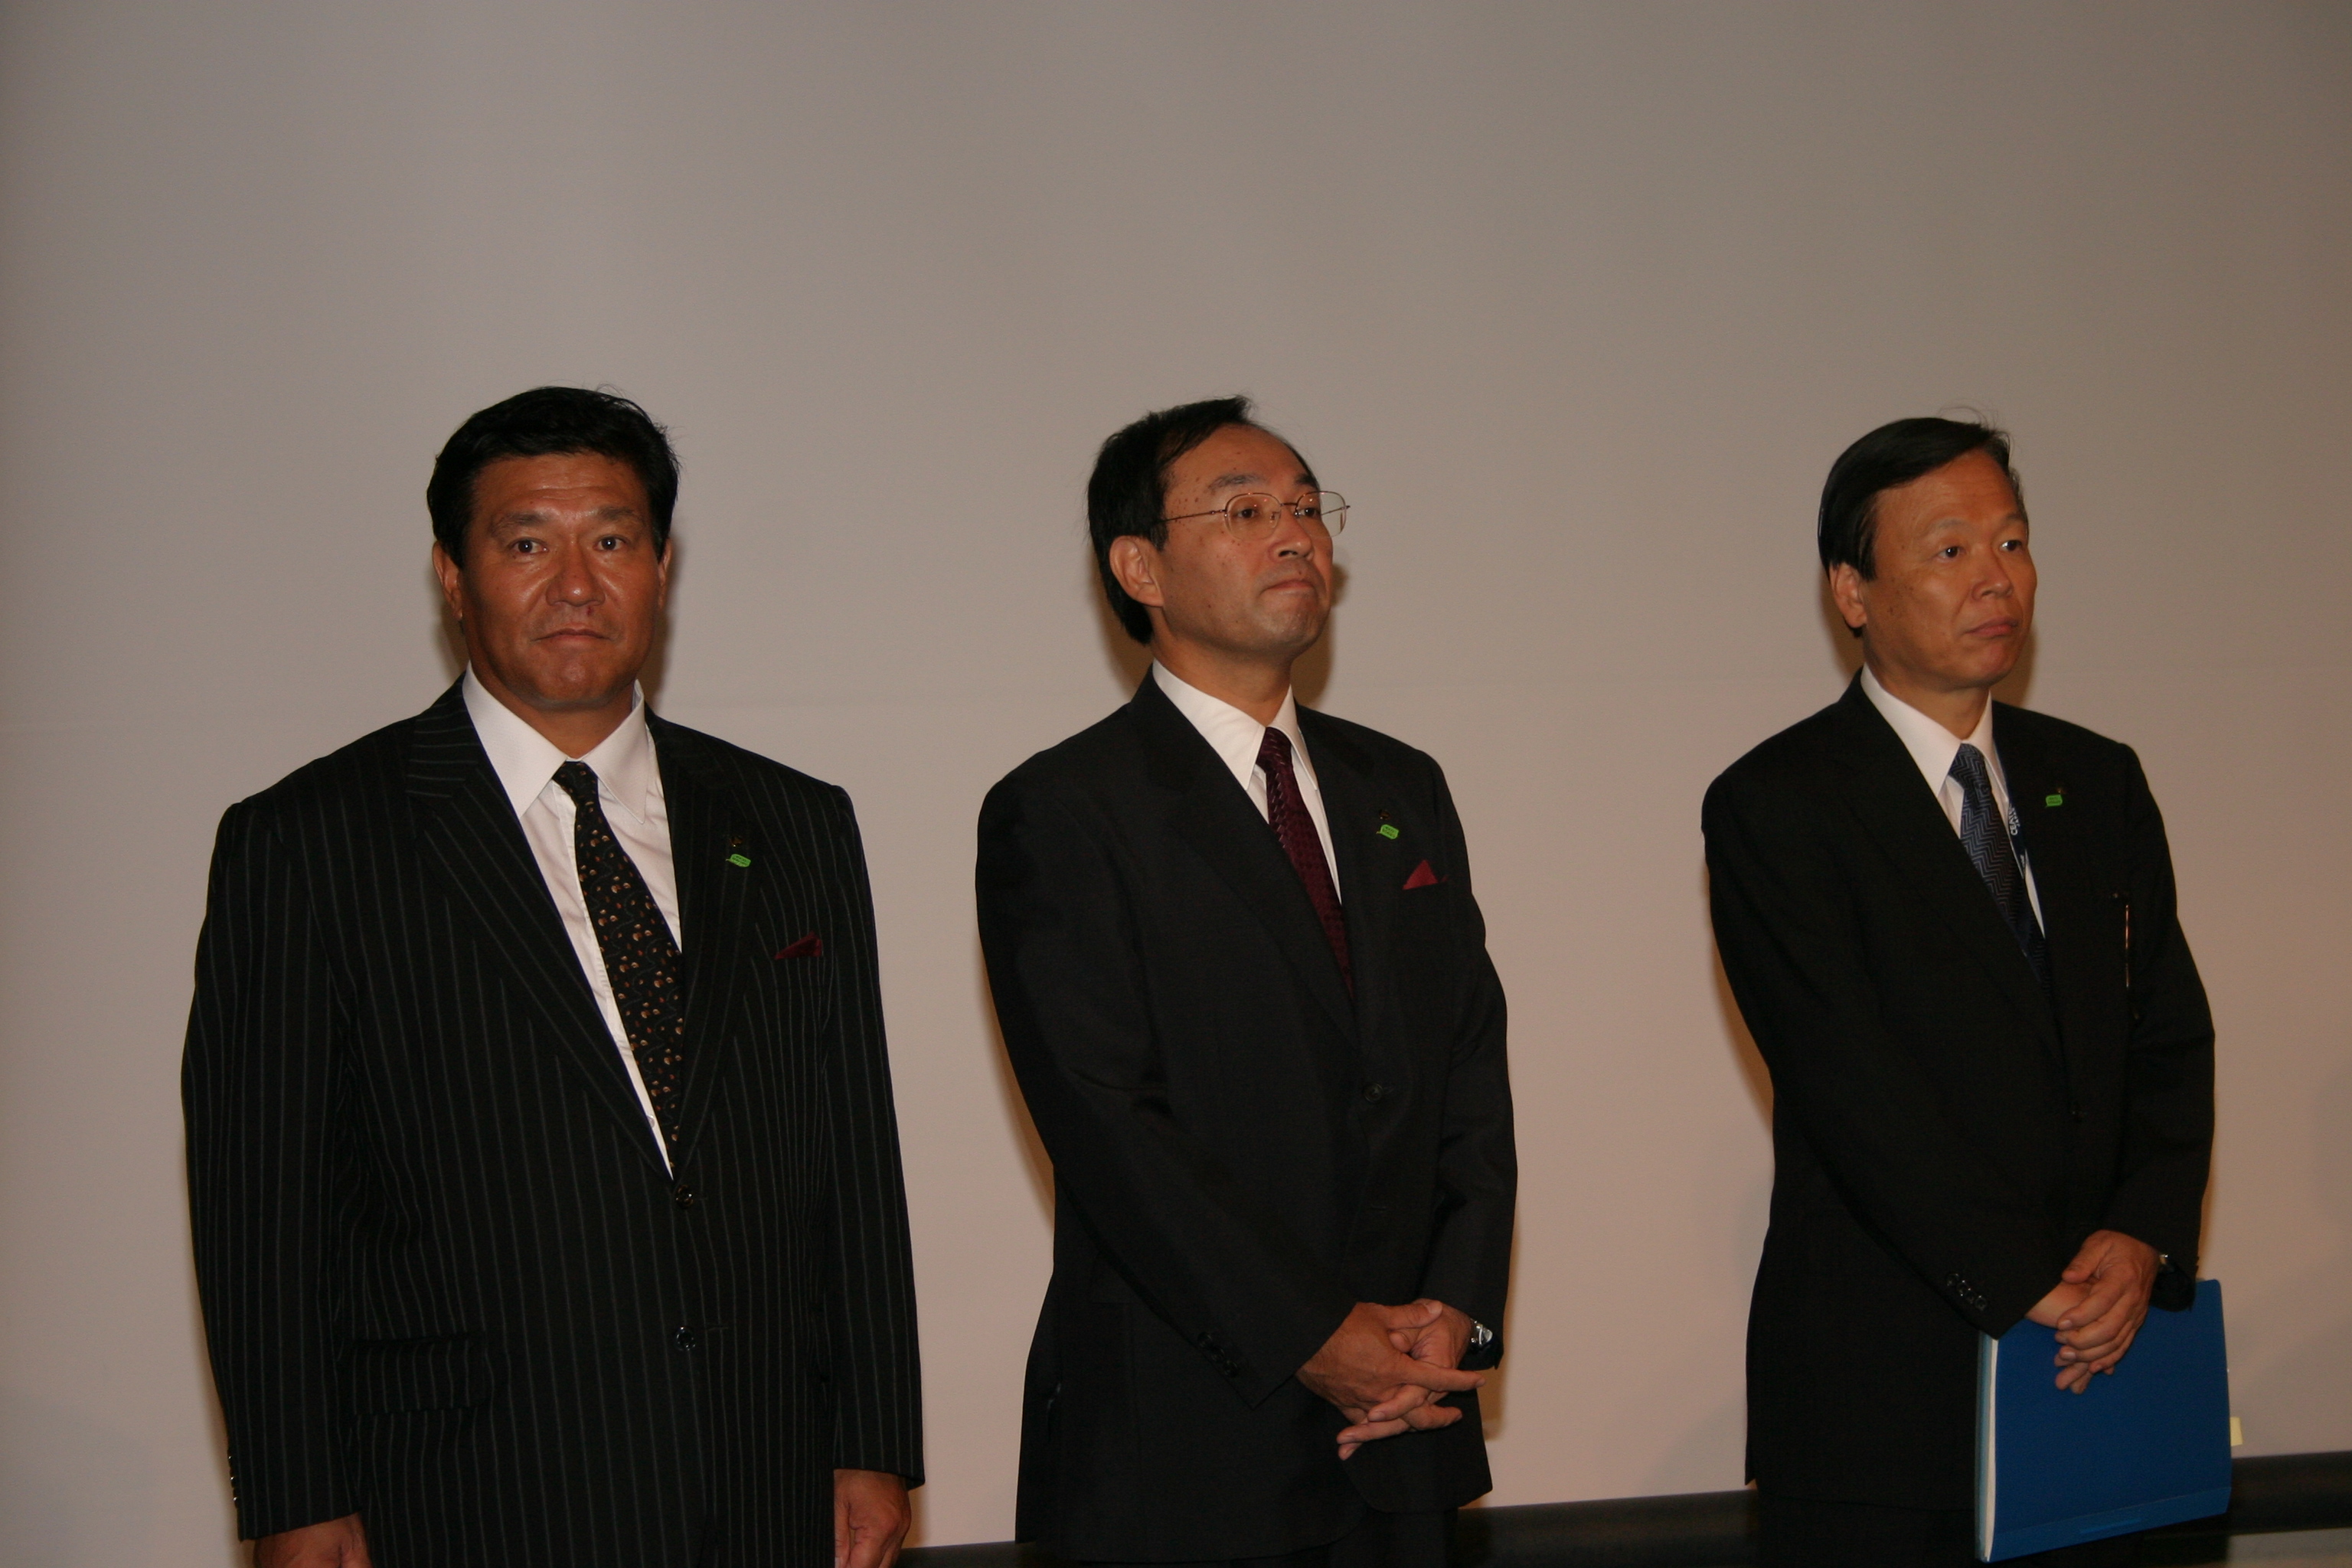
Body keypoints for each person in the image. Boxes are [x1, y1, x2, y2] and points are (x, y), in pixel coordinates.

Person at [183, 387, 923, 1568]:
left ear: (661, 570)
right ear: (452, 574)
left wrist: (874, 1438)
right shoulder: (312, 842)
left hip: (767, 1479)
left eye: (613, 541)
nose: (577, 585)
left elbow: (855, 1158)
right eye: (527, 544)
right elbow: (259, 1209)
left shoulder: (793, 823)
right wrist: (295, 1497)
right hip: (467, 1491)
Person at [975, 397, 1516, 1568]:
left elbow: (1469, 1065)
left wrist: (1455, 1310)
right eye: (1245, 510)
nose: (1295, 535)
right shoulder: (1064, 811)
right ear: (1139, 568)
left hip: (1406, 1426)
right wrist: (1314, 1333)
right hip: (1188, 1438)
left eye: (1308, 509)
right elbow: (1110, 1124)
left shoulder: (1400, 787)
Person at [1702, 416, 2216, 1566]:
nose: (1997, 578)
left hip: (2101, 1367)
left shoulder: (2097, 779)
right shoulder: (1779, 803)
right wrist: (2028, 1282)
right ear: (1853, 591)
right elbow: (1851, 1085)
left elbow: (2169, 1038)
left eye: (2013, 542)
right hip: (1883, 1399)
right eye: (1949, 551)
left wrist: (2141, 1234)